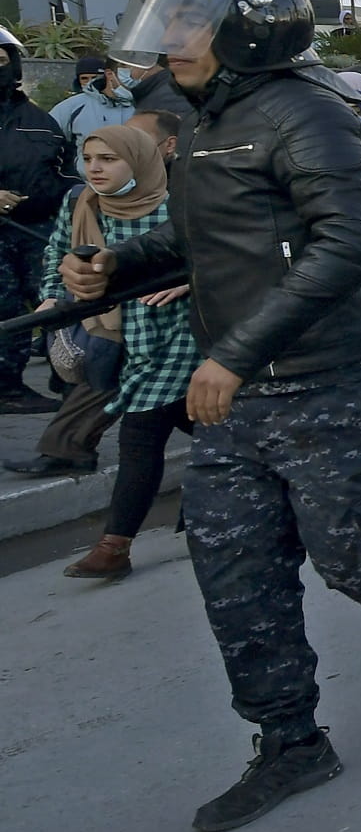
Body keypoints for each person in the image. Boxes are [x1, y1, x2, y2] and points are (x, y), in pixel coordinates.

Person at [64, 0, 361, 832]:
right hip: (236, 394)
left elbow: (345, 245)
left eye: (191, 21)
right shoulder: (198, 125)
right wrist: (114, 266)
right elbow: (211, 247)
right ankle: (291, 743)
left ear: (249, 27)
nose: (172, 39)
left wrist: (232, 354)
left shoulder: (306, 113)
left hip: (327, 384)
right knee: (233, 570)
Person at [49, 125, 195, 579]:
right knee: (208, 425)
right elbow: (57, 259)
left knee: (140, 434)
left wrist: (191, 280)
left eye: (109, 159)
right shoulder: (80, 205)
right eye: (89, 158)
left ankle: (115, 547)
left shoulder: (181, 205)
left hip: (184, 336)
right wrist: (55, 297)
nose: (95, 168)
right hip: (120, 343)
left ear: (141, 160)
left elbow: (224, 256)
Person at [0, 25, 70, 413]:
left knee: (55, 302)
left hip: (37, 229)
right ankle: (7, 387)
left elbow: (68, 172)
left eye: (0, 57)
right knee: (5, 311)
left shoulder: (40, 121)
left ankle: (70, 380)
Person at [49, 57, 137, 155]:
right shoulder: (72, 106)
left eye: (94, 77)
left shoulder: (138, 105)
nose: (89, 81)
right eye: (84, 78)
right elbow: (49, 136)